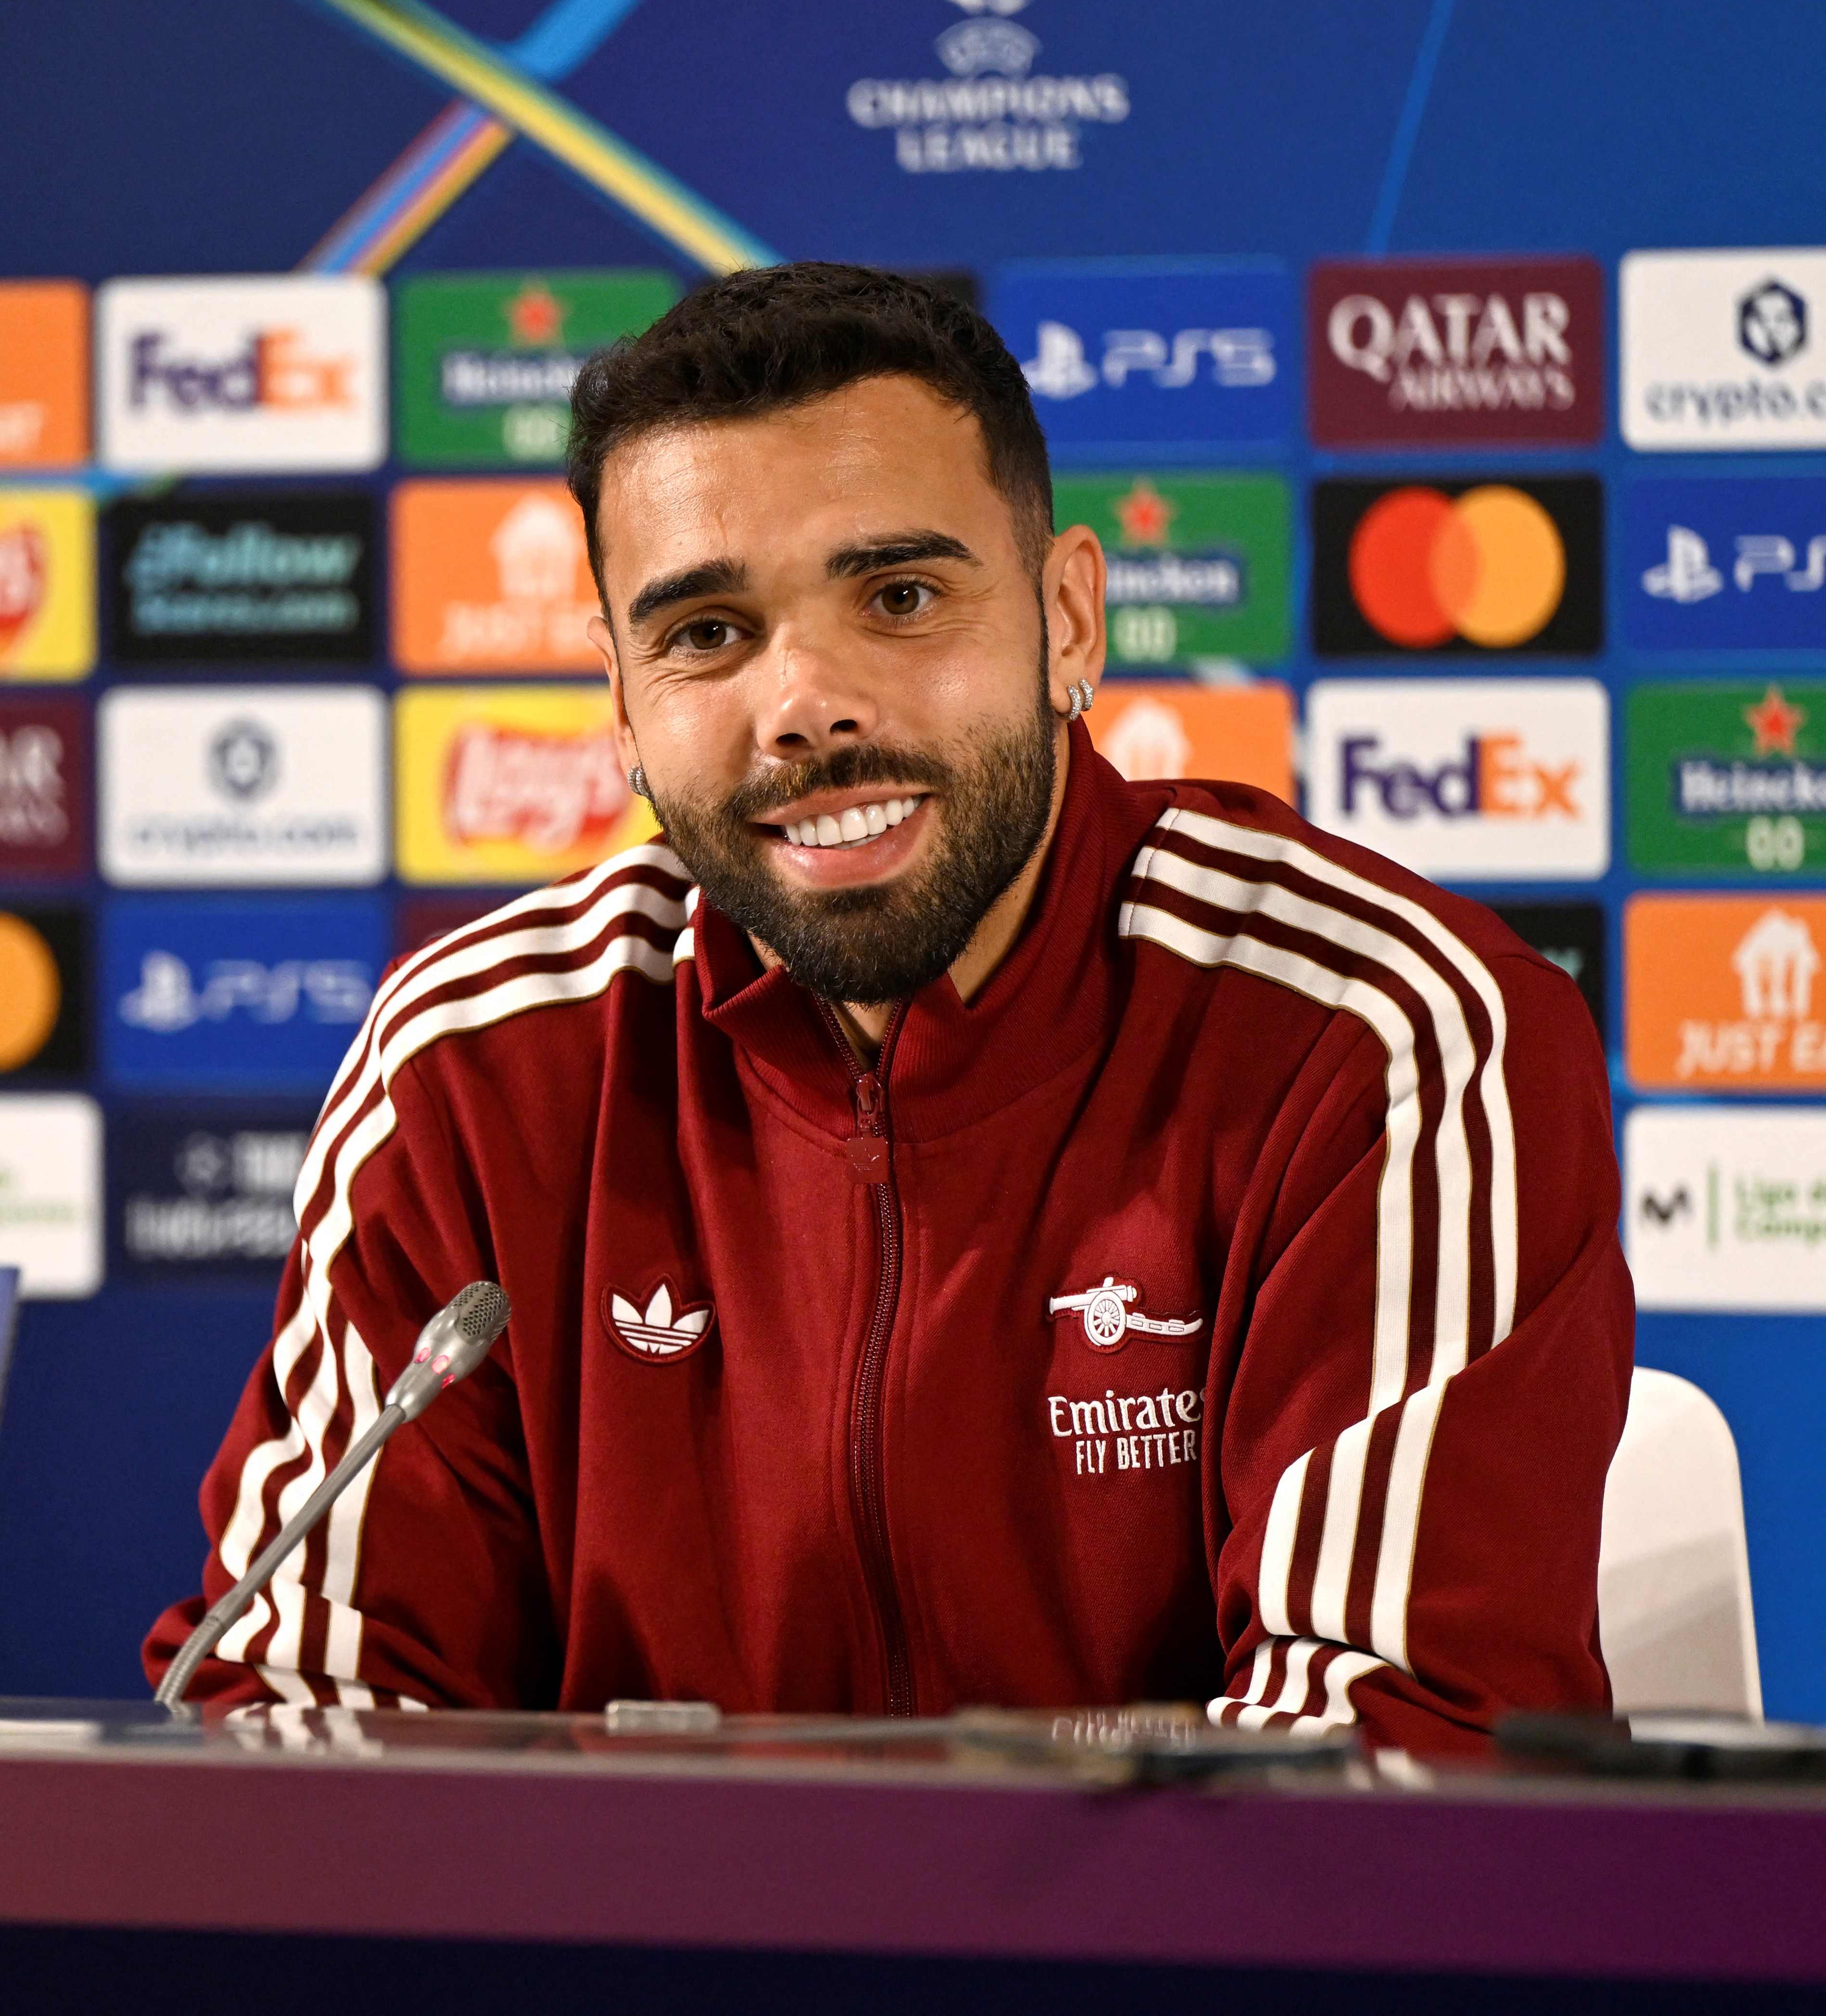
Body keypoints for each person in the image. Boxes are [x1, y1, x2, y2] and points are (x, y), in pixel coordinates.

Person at [145, 264, 1631, 1751]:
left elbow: (1391, 1759)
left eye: (900, 597)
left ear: (1067, 619)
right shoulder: (475, 1067)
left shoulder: (1375, 1036)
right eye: (706, 632)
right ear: (621, 700)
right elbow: (292, 1709)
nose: (805, 703)